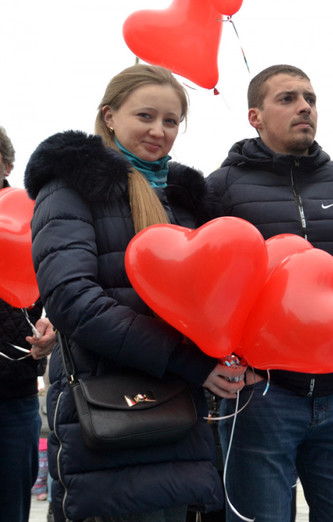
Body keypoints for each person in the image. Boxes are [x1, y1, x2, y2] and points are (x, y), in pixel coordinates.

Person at [24, 64, 245, 522]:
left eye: (171, 121)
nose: (159, 131)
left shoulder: (184, 201)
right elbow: (71, 300)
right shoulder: (69, 188)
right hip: (107, 409)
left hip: (180, 412)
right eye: (145, 116)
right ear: (109, 116)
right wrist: (188, 360)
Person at [206, 64, 333, 521]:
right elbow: (209, 292)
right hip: (260, 395)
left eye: (310, 98)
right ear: (254, 116)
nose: (304, 107)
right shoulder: (221, 187)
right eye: (287, 98)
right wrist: (228, 365)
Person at [0, 125, 56, 522]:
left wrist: (54, 321)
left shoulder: (33, 214)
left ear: (6, 164)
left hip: (11, 396)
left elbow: (63, 281)